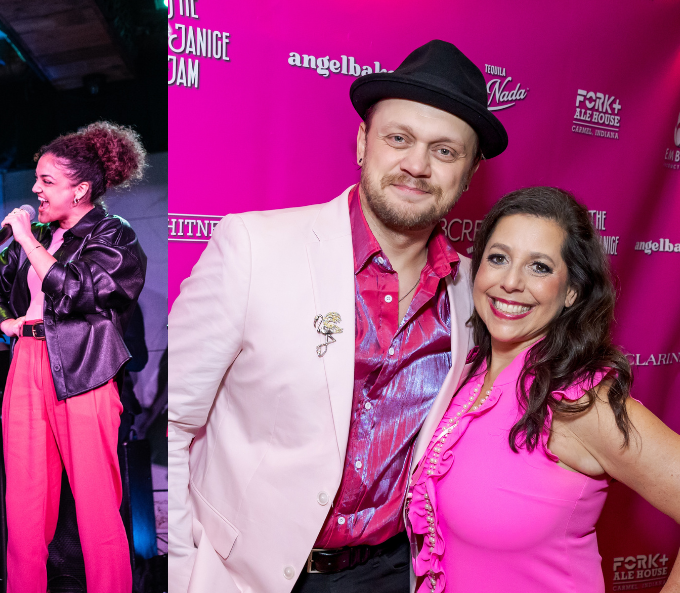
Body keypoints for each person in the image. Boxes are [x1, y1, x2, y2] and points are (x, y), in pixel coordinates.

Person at [168, 40, 509, 593]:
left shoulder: (477, 291)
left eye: (446, 151)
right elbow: (173, 419)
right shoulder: (254, 245)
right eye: (399, 138)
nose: (417, 165)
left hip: (393, 574)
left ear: (468, 175)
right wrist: (184, 574)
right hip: (247, 577)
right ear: (362, 142)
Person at [406, 187, 680, 592]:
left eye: (539, 267)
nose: (511, 282)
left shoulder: (580, 400)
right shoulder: (464, 373)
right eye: (498, 258)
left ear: (571, 291)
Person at [0, 121, 147, 593]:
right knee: (24, 510)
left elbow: (76, 292)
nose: (35, 190)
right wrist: (5, 320)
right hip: (26, 360)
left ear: (81, 189)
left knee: (96, 508)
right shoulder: (45, 235)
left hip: (84, 371)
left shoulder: (114, 235)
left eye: (47, 181)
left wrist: (29, 240)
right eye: (37, 179)